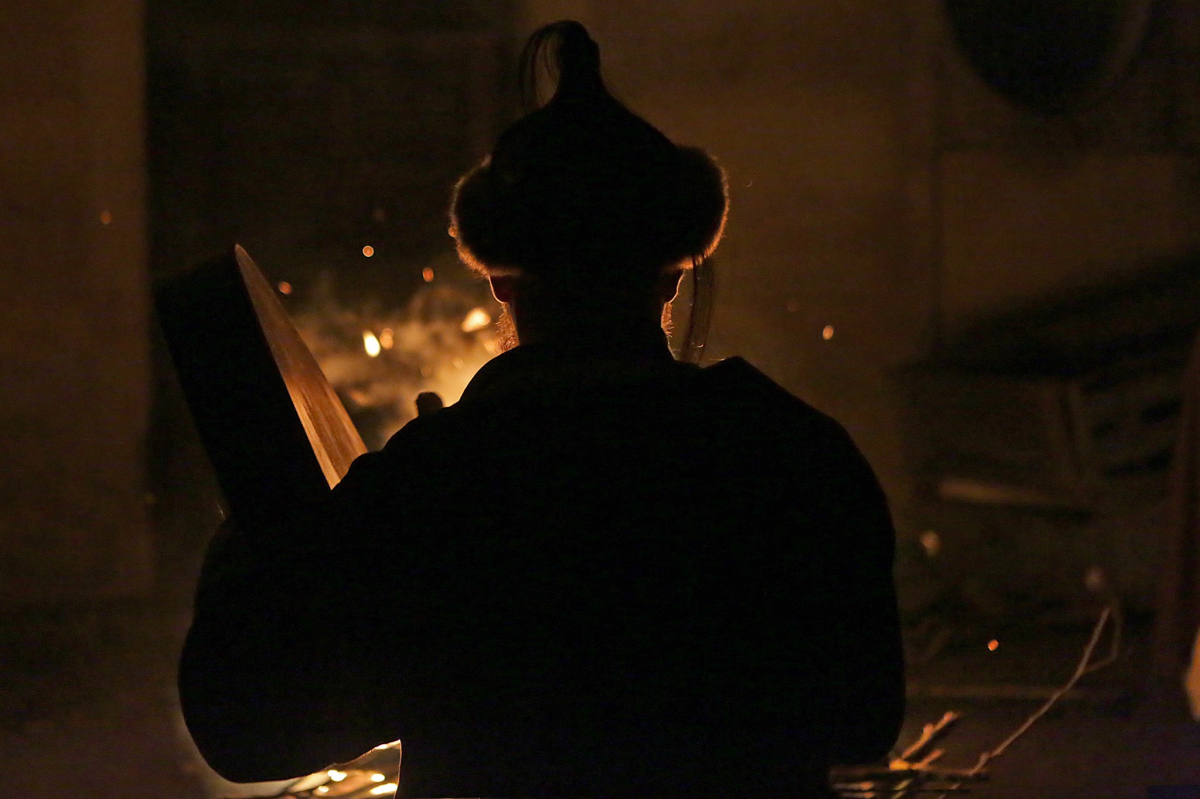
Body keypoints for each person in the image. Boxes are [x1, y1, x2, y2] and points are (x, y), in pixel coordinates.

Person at [178, 21, 904, 798]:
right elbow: (865, 722)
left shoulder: (434, 481)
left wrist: (261, 526)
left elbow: (247, 729)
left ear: (498, 276)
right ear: (671, 273)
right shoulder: (794, 452)